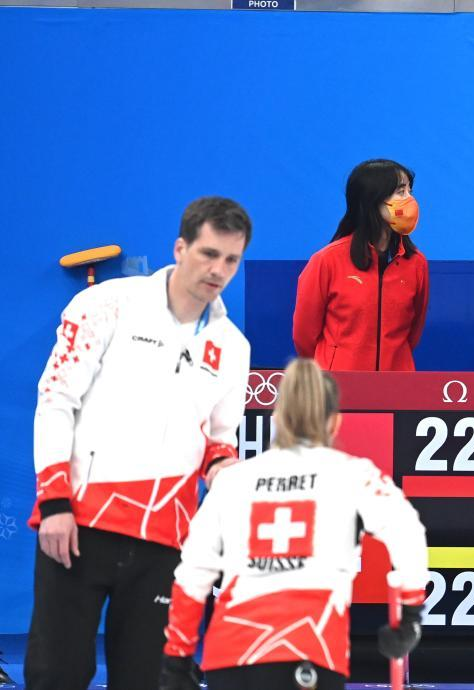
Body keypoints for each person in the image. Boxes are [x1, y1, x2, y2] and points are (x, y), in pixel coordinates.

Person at [26, 196, 253, 690]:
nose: (218, 270)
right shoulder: (105, 305)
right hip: (80, 524)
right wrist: (55, 501)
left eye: (231, 259)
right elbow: (56, 400)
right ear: (180, 247)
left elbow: (219, 442)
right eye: (208, 254)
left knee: (146, 680)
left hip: (166, 541)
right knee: (56, 675)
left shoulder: (233, 348)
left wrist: (229, 479)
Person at [158, 358, 428, 690]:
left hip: (231, 657)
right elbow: (408, 532)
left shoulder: (234, 480)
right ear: (335, 423)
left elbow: (192, 573)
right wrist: (411, 619)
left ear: (277, 420)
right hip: (310, 651)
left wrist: (177, 660)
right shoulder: (352, 474)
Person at [293, 159, 429, 371]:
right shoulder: (327, 261)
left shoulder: (416, 263)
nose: (410, 200)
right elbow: (304, 336)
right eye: (401, 192)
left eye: (410, 191)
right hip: (338, 392)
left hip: (396, 389)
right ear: (371, 199)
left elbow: (414, 331)